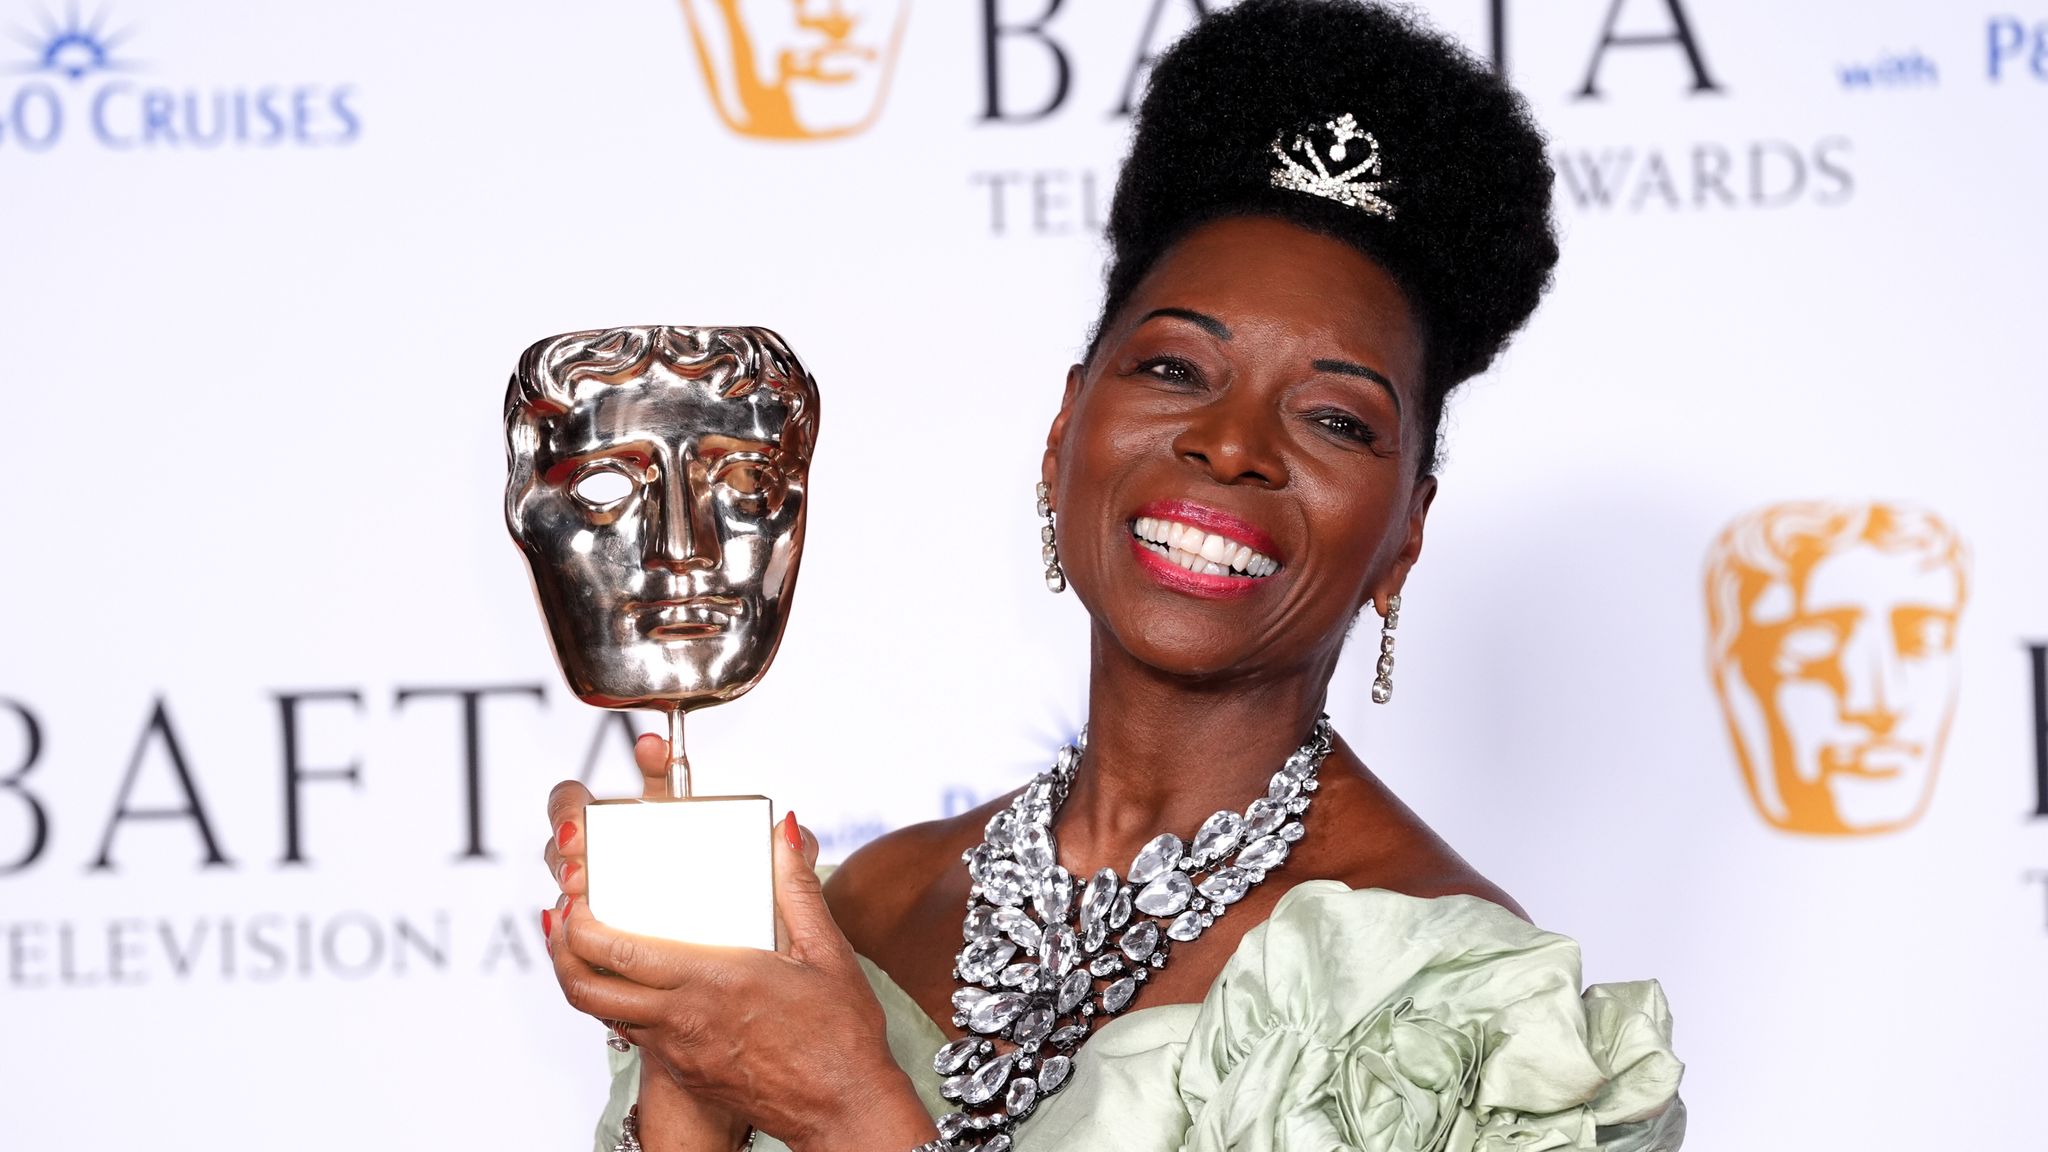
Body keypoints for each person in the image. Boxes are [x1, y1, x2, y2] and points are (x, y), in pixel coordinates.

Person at [540, 2, 1686, 1148]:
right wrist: (693, 1063)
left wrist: (851, 1110)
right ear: (1063, 435)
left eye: (1335, 417)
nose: (1232, 443)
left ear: (1403, 536)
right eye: (1175, 366)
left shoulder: (1454, 1021)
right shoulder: (864, 907)